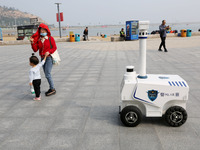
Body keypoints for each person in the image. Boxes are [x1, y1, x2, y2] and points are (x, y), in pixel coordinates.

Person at [30, 23, 57, 96]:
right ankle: (51, 88)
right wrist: (32, 43)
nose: (42, 32)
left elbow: (54, 48)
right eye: (41, 30)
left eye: (44, 30)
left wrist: (49, 52)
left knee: (48, 74)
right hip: (42, 59)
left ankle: (52, 89)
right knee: (46, 74)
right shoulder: (39, 40)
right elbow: (35, 50)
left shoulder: (50, 38)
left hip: (48, 58)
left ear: (47, 30)